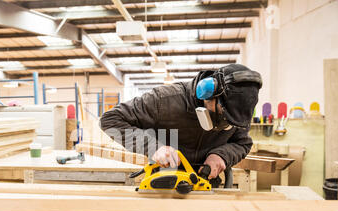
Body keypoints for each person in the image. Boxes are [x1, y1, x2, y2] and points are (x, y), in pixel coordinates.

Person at [99, 63, 262, 180]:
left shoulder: (237, 113)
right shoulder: (163, 101)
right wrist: (153, 147)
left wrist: (221, 156)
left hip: (206, 181)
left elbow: (242, 143)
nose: (224, 125)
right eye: (222, 116)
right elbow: (110, 120)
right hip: (162, 180)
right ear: (207, 92)